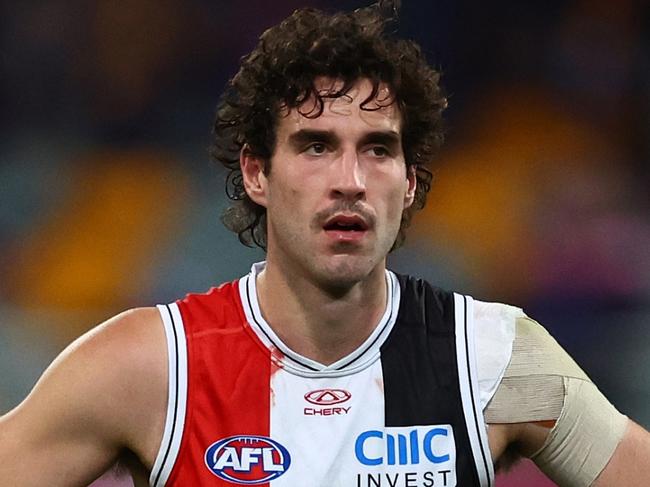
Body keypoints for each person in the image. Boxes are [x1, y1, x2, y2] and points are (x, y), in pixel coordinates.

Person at [1, 2, 649, 486]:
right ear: (256, 172)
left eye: (378, 149)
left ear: (411, 182)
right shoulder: (147, 367)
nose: (349, 181)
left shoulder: (497, 357)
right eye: (316, 146)